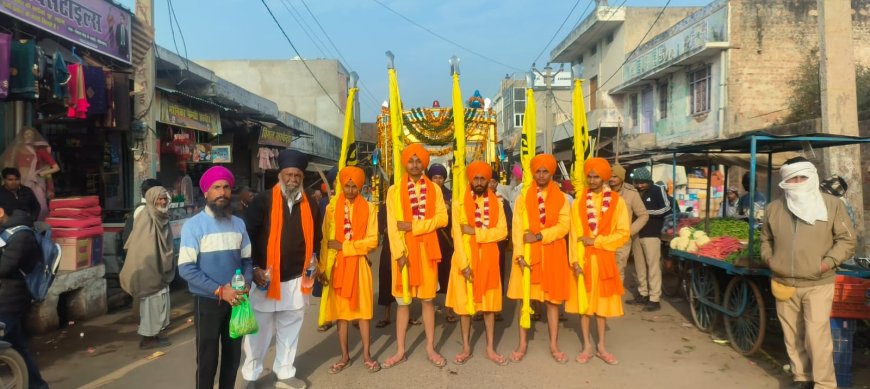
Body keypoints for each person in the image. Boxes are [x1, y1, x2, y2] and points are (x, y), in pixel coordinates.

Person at [760, 157, 855, 389]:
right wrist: (770, 260)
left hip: (818, 282)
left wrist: (825, 263)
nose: (798, 182)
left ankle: (824, 384)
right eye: (792, 178)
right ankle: (801, 377)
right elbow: (765, 239)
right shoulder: (774, 208)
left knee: (816, 336)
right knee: (792, 335)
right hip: (784, 282)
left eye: (802, 177)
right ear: (785, 180)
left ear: (812, 177)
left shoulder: (832, 205)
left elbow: (846, 241)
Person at [243, 149, 322, 389]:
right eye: (289, 175)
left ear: (302, 178)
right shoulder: (263, 201)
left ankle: (285, 372)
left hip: (298, 279)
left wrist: (316, 258)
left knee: (291, 327)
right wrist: (253, 267)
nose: (293, 180)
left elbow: (317, 236)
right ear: (280, 175)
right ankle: (251, 377)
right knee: (259, 332)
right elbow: (247, 237)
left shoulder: (310, 202)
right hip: (265, 278)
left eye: (297, 176)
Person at [178, 166, 252, 389]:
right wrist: (220, 290)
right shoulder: (193, 226)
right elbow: (186, 268)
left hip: (237, 301)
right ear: (206, 193)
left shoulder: (239, 224)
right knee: (207, 360)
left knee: (232, 358)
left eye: (226, 187)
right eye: (216, 187)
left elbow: (247, 261)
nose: (222, 192)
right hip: (208, 302)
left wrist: (246, 283)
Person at [383, 144, 449, 369]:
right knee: (403, 303)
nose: (414, 165)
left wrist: (414, 226)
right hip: (405, 253)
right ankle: (400, 350)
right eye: (411, 161)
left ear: (424, 164)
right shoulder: (393, 191)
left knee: (428, 301)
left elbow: (442, 219)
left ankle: (430, 348)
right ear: (405, 163)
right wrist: (399, 253)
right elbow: (393, 226)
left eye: (418, 161)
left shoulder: (435, 189)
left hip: (428, 252)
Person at [506, 154, 571, 364]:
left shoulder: (562, 197)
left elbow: (564, 227)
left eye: (545, 171)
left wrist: (541, 235)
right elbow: (517, 229)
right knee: (525, 300)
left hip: (553, 253)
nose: (541, 175)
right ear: (533, 173)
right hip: (527, 255)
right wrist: (519, 254)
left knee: (552, 303)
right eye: (538, 171)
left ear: (551, 173)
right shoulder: (523, 197)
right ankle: (522, 344)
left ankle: (554, 345)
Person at [567, 158, 630, 365]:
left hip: (604, 260)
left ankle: (602, 346)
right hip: (584, 260)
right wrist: (575, 261)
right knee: (584, 306)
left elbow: (623, 234)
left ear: (604, 178)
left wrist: (598, 241)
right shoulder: (577, 202)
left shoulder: (617, 202)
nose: (592, 180)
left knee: (601, 307)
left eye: (596, 177)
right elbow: (574, 233)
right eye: (589, 176)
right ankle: (587, 345)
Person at [445, 161, 509, 366]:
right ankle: (466, 348)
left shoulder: (497, 203)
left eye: (483, 178)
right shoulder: (458, 204)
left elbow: (502, 232)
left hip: (489, 259)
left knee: (489, 307)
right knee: (465, 308)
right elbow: (456, 235)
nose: (479, 182)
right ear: (470, 180)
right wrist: (464, 266)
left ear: (488, 180)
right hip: (465, 261)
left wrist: (476, 232)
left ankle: (490, 348)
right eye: (476, 178)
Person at [319, 166, 381, 373]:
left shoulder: (370, 208)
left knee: (363, 312)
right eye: (348, 186)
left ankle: (366, 354)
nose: (351, 190)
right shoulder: (331, 209)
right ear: (342, 185)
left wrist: (346, 246)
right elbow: (326, 241)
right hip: (337, 266)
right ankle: (344, 356)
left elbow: (372, 241)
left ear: (361, 187)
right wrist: (322, 267)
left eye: (355, 187)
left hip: (360, 265)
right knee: (342, 314)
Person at [0, 204, 49, 388]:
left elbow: (4, 267)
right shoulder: (6, 232)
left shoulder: (21, 235)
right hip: (6, 297)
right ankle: (37, 385)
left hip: (10, 299)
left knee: (16, 346)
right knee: (18, 346)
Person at [120, 186, 174, 349]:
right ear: (151, 199)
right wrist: (154, 267)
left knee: (159, 303)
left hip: (160, 267)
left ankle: (155, 335)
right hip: (150, 268)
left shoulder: (162, 216)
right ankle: (148, 339)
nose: (162, 201)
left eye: (164, 198)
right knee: (151, 303)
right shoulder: (147, 216)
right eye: (159, 198)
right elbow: (145, 247)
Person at [628, 167, 670, 312]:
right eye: (637, 183)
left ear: (648, 181)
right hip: (636, 233)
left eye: (642, 183)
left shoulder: (657, 190)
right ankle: (643, 293)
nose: (639, 185)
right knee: (639, 265)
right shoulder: (634, 192)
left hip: (651, 233)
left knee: (653, 266)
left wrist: (645, 213)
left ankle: (654, 298)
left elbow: (666, 208)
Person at [0, 127, 60, 220]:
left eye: (31, 134)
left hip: (35, 181)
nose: (29, 136)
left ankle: (37, 226)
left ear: (35, 136)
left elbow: (56, 168)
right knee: (16, 204)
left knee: (41, 206)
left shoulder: (39, 150)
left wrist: (44, 173)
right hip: (18, 180)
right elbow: (8, 166)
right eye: (26, 134)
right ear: (22, 136)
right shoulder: (15, 150)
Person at [608, 164, 649, 285]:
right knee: (603, 270)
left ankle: (614, 300)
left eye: (615, 176)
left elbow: (643, 215)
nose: (611, 179)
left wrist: (629, 231)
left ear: (621, 177)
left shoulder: (631, 193)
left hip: (621, 239)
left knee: (618, 270)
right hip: (603, 237)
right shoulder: (603, 190)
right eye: (610, 176)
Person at [427, 163, 455, 322]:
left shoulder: (450, 195)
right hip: (429, 240)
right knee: (431, 275)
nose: (437, 180)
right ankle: (430, 307)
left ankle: (449, 309)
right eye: (435, 177)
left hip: (446, 242)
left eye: (440, 177)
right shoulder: (424, 195)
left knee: (447, 275)